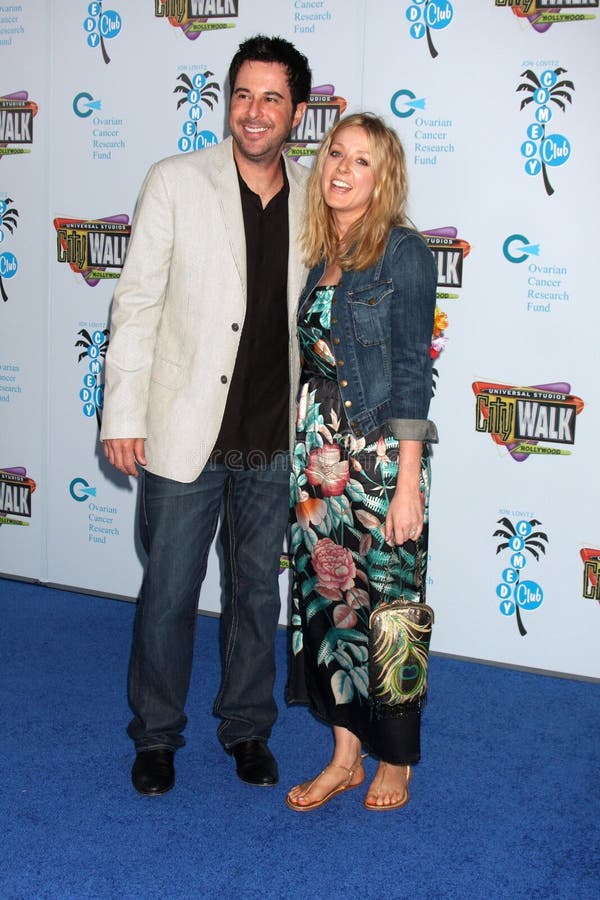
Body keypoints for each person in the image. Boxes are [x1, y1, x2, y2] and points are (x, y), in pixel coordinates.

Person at [100, 35, 312, 795]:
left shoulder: (317, 196)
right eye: (244, 95)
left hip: (271, 438)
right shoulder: (176, 181)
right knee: (169, 593)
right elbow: (136, 305)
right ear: (229, 101)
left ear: (297, 112)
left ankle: (247, 727)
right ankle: (156, 735)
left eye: (272, 99)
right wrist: (122, 411)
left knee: (258, 594)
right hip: (184, 429)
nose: (254, 113)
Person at [285, 113, 438, 811]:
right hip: (318, 463)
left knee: (391, 608)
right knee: (329, 603)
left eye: (362, 161)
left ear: (385, 178)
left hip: (379, 457)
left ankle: (397, 760)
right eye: (335, 155)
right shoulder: (323, 251)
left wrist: (408, 482)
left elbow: (411, 370)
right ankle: (346, 753)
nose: (342, 169)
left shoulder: (403, 251)